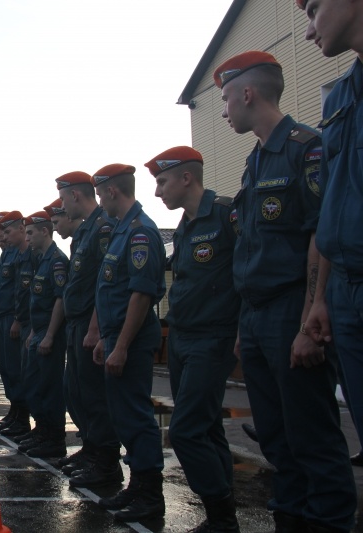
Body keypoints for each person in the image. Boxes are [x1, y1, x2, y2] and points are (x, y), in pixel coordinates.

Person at [214, 50, 356, 532]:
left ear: (248, 93)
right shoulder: (255, 161)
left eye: (227, 97)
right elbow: (250, 251)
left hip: (292, 311)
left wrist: (310, 318)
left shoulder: (305, 148)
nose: (225, 109)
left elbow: (324, 234)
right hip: (256, 317)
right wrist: (242, 326)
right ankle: (291, 520)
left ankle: (330, 521)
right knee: (275, 437)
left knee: (310, 436)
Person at [147, 146, 240, 531]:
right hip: (183, 337)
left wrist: (242, 331)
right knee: (207, 427)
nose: (158, 192)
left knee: (184, 431)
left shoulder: (225, 213)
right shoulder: (184, 226)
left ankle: (220, 512)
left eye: (162, 182)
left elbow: (248, 267)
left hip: (213, 336)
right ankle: (224, 517)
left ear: (187, 178)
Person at [297, 0, 363, 469]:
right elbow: (329, 213)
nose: (308, 30)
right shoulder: (340, 97)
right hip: (345, 286)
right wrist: (321, 298)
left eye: (314, 8)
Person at [91, 164, 167, 521]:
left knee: (136, 417)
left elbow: (141, 294)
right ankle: (137, 485)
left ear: (111, 191)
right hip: (117, 338)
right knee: (124, 417)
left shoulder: (140, 232)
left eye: (99, 192)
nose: (97, 200)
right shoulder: (121, 230)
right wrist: (107, 339)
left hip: (132, 342)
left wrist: (120, 344)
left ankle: (150, 495)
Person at [53, 171, 121, 489]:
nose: (63, 206)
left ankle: (106, 464)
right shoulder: (83, 233)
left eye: (64, 198)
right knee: (78, 393)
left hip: (90, 324)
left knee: (95, 397)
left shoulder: (103, 228)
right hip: (77, 323)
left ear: (76, 196)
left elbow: (104, 284)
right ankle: (92, 451)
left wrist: (95, 327)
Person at [21, 210, 68, 457]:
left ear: (44, 231)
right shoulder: (41, 259)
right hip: (38, 331)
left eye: (30, 233)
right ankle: (41, 431)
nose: (27, 238)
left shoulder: (57, 260)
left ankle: (54, 439)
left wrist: (49, 334)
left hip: (50, 333)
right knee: (35, 386)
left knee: (50, 389)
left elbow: (60, 300)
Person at [0, 211, 32, 436]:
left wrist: (17, 319)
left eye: (4, 232)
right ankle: (15, 413)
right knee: (7, 369)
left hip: (14, 319)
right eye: (0, 233)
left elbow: (21, 290)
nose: (2, 237)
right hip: (3, 317)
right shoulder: (7, 255)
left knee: (17, 370)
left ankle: (22, 417)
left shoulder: (20, 254)